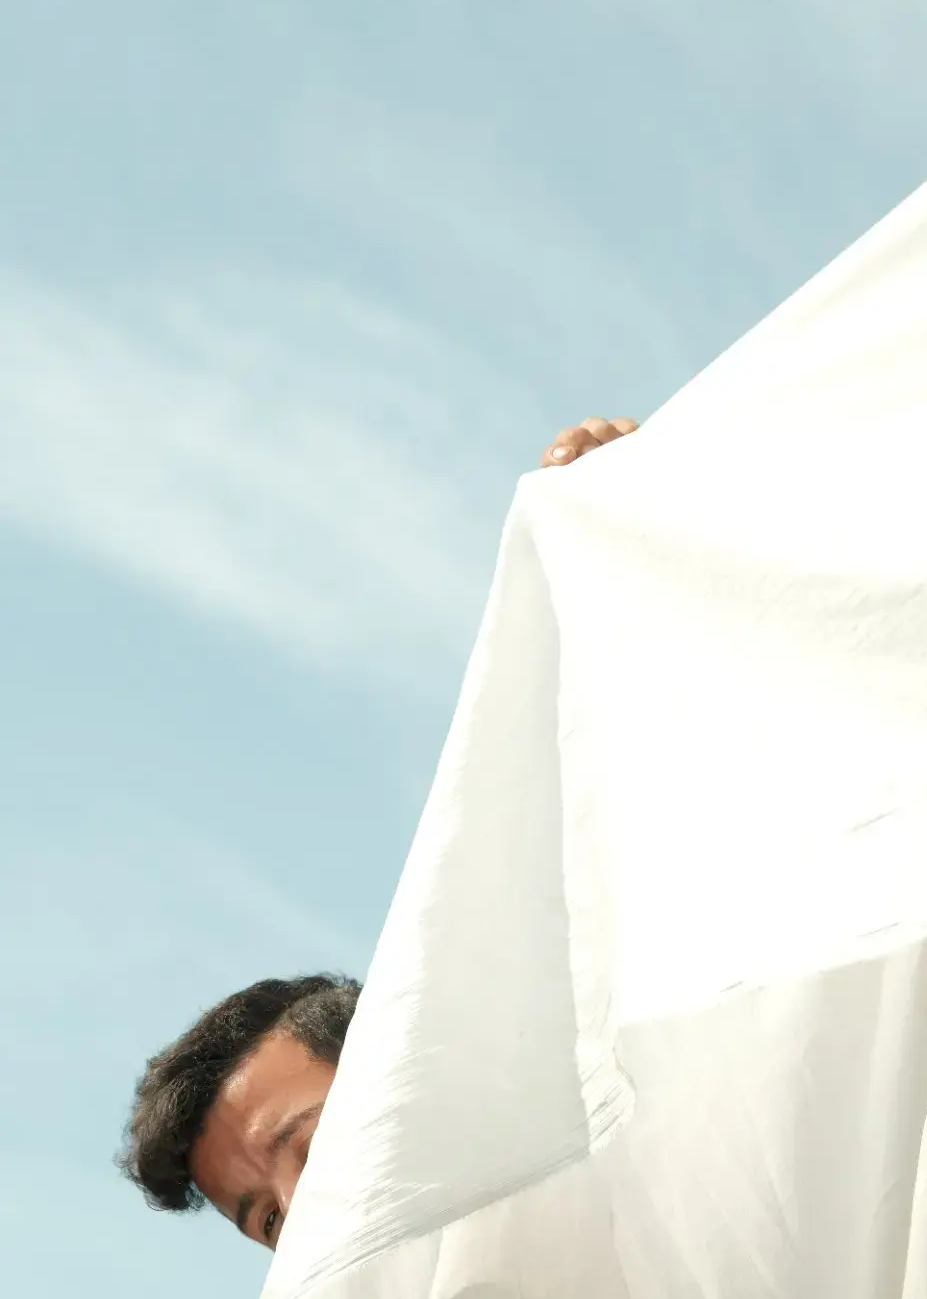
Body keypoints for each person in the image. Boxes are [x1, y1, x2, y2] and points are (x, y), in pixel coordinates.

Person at [118, 417, 639, 1250]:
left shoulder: (630, 1118)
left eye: (314, 1147)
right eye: (273, 1219)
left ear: (415, 1061)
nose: (305, 1209)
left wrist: (642, 541)